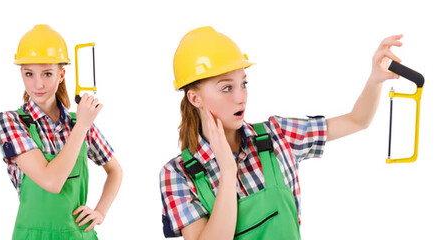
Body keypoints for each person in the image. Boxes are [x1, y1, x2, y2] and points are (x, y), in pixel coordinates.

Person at [159, 26, 403, 239]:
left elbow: (357, 121)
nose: (240, 98)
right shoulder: (178, 174)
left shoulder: (277, 135)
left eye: (244, 83)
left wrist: (375, 80)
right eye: (226, 88)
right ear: (194, 98)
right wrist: (227, 169)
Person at [0, 24, 123, 239]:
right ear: (21, 74)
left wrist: (100, 211)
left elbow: (115, 171)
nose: (38, 84)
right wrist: (82, 126)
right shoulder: (11, 121)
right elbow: (51, 182)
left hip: (78, 234)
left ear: (61, 74)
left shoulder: (79, 122)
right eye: (29, 74)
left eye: (47, 73)